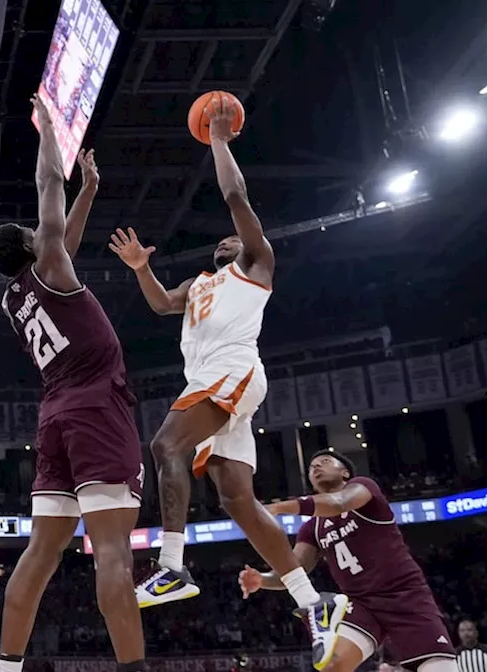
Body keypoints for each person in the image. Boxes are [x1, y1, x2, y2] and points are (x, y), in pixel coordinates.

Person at [109, 97, 347, 670]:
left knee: (166, 444)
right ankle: (314, 602)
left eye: (231, 242)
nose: (224, 243)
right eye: (219, 245)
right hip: (213, 380)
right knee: (237, 501)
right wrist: (142, 268)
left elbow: (236, 198)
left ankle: (171, 566)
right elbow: (165, 305)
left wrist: (218, 141)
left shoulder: (256, 264)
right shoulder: (198, 284)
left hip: (233, 371)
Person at [0, 95, 146, 672]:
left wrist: (90, 191)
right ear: (31, 245)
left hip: (53, 417)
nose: (43, 229)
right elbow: (48, 178)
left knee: (41, 551)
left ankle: (6, 666)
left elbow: (64, 247)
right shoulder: (46, 259)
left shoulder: (16, 294)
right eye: (36, 231)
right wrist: (49, 129)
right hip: (96, 408)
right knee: (111, 551)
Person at [239, 451, 459, 672]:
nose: (316, 468)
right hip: (362, 603)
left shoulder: (363, 487)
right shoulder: (312, 527)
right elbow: (296, 570)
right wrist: (262, 580)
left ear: (345, 472)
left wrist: (279, 507)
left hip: (404, 595)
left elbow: (339, 503)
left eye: (324, 462)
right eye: (311, 467)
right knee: (331, 666)